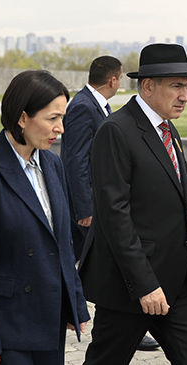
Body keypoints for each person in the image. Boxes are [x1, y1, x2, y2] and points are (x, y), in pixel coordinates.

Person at [79, 43, 187, 365]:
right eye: (177, 86)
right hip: (130, 287)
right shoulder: (116, 131)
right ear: (148, 86)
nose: (185, 96)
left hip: (177, 284)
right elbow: (114, 216)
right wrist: (144, 284)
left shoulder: (168, 129)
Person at [0, 70, 89, 365]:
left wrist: (74, 303)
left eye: (62, 118)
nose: (61, 128)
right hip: (7, 325)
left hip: (49, 316)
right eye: (52, 118)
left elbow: (62, 242)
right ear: (22, 117)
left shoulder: (53, 164)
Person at [60, 55, 123, 261]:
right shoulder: (83, 107)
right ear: (113, 80)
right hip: (85, 205)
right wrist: (84, 208)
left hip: (95, 201)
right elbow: (76, 160)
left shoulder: (98, 105)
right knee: (100, 258)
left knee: (76, 260)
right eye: (120, 78)